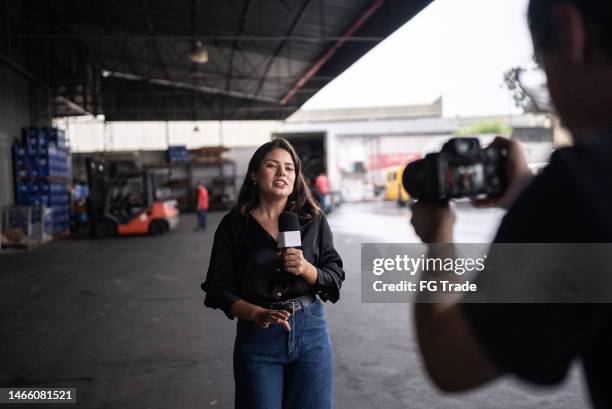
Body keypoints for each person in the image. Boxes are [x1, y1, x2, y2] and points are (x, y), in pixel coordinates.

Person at [410, 0, 612, 407]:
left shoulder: (581, 189)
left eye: (541, 64)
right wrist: (527, 193)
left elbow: (450, 360)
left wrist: (439, 238)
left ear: (570, 31)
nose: (551, 91)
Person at [201, 138, 345, 409]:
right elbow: (217, 287)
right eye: (272, 166)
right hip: (258, 335)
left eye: (289, 168)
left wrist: (305, 268)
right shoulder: (234, 225)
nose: (282, 173)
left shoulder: (313, 220)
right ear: (254, 174)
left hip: (311, 330)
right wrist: (256, 313)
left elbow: (334, 277)